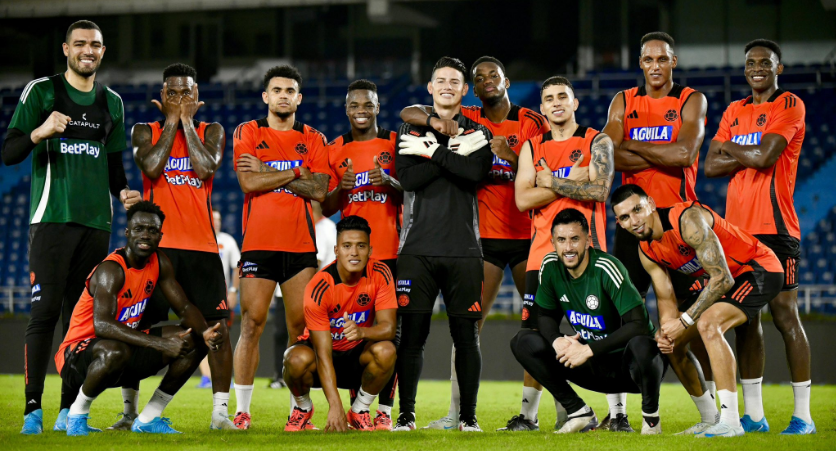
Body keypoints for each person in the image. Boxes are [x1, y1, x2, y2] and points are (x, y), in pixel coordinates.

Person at [1, 20, 141, 435]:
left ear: (102, 50)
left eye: (95, 45)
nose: (88, 50)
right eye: (79, 44)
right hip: (50, 221)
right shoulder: (41, 91)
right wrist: (40, 132)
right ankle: (32, 411)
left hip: (97, 224)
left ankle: (68, 412)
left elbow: (114, 166)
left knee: (77, 322)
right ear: (65, 49)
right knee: (44, 314)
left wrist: (124, 192)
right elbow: (9, 151)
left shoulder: (112, 101)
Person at [398, 57, 550, 430]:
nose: (486, 81)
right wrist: (436, 125)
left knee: (538, 326)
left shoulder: (530, 121)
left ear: (506, 79)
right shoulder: (467, 117)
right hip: (482, 240)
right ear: (472, 88)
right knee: (471, 328)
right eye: (478, 77)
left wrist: (510, 156)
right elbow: (409, 112)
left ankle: (535, 414)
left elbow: (542, 167)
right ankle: (457, 415)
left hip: (527, 236)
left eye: (491, 75)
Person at [611, 184, 785, 437]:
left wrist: (684, 320)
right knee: (673, 342)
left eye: (637, 209)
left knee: (708, 324)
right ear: (619, 223)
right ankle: (709, 418)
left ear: (650, 203)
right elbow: (665, 297)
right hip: (726, 281)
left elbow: (722, 278)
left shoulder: (687, 220)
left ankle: (731, 421)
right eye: (625, 217)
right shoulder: (646, 250)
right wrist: (667, 331)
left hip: (758, 268)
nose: (634, 220)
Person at [704, 39, 815, 435]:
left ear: (778, 68)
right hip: (738, 233)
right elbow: (710, 167)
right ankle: (754, 416)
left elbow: (765, 157)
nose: (757, 68)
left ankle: (803, 415)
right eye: (751, 63)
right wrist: (742, 151)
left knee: (785, 316)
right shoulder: (735, 109)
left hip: (777, 229)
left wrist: (730, 145)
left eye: (765, 63)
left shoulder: (790, 105)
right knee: (746, 320)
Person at [55, 201, 223, 435]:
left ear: (160, 235)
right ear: (127, 233)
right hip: (78, 356)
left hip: (122, 351)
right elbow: (102, 325)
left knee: (194, 341)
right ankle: (76, 416)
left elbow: (184, 307)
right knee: (116, 350)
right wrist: (160, 343)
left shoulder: (159, 262)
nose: (145, 235)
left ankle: (147, 419)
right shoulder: (111, 270)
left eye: (152, 230)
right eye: (139, 229)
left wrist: (204, 331)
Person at [128, 63, 235, 430]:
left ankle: (220, 413)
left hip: (202, 249)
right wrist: (173, 121)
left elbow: (206, 169)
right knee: (136, 325)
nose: (178, 99)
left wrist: (186, 121)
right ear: (161, 97)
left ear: (197, 98)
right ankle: (131, 412)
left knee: (217, 329)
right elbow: (153, 167)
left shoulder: (212, 131)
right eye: (171, 93)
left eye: (186, 93)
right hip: (156, 249)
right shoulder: (145, 130)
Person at [392, 56, 491, 432]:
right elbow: (409, 179)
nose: (448, 85)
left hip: (465, 250)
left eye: (455, 81)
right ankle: (406, 415)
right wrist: (452, 153)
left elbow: (475, 173)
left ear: (465, 90)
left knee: (466, 337)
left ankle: (468, 418)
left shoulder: (478, 131)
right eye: (441, 80)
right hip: (416, 250)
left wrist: (432, 152)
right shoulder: (409, 128)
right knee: (412, 337)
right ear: (430, 88)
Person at [512, 76, 615, 431]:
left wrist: (551, 181)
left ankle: (617, 415)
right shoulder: (531, 146)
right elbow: (523, 199)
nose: (556, 103)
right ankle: (529, 415)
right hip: (541, 257)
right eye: (549, 98)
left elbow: (600, 190)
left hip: (590, 256)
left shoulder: (596, 140)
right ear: (542, 108)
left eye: (562, 97)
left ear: (574, 103)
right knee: (534, 336)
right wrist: (573, 181)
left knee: (602, 331)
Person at [231, 65, 330, 430]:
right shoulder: (249, 131)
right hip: (257, 244)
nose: (284, 95)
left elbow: (320, 191)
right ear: (266, 96)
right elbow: (246, 182)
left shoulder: (314, 138)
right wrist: (296, 172)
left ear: (299, 98)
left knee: (299, 329)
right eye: (277, 90)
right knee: (251, 324)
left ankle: (299, 410)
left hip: (301, 246)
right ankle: (241, 410)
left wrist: (269, 171)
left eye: (290, 90)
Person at [511, 209, 665, 435]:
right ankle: (578, 411)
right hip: (593, 368)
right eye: (561, 240)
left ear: (587, 240)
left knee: (642, 345)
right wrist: (556, 342)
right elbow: (544, 316)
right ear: (553, 242)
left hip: (630, 369)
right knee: (523, 340)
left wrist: (589, 350)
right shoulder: (551, 266)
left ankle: (651, 421)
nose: (568, 247)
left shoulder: (606, 267)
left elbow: (639, 324)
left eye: (575, 239)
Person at [602, 31, 708, 305]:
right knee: (627, 307)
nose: (655, 66)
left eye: (662, 59)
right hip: (632, 221)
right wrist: (665, 153)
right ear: (640, 63)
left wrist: (632, 144)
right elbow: (606, 153)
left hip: (678, 219)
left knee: (690, 311)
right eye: (649, 60)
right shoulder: (623, 101)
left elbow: (684, 154)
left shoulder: (691, 99)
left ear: (673, 61)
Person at [322, 79, 401, 429]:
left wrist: (390, 183)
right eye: (355, 105)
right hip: (352, 260)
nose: (361, 111)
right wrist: (342, 188)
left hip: (391, 253)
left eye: (368, 104)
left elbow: (413, 192)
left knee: (391, 336)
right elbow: (325, 206)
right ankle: (360, 407)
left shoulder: (396, 143)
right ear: (346, 109)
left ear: (377, 107)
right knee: (355, 333)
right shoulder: (334, 148)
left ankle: (383, 412)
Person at [282, 216, 397, 432]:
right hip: (323, 360)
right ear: (336, 250)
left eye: (361, 246)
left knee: (386, 351)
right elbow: (322, 353)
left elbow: (389, 328)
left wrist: (361, 331)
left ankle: (360, 410)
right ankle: (304, 409)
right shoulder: (320, 285)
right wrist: (335, 406)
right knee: (294, 359)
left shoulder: (381, 273)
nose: (354, 252)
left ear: (370, 250)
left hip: (357, 358)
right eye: (347, 246)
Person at [197, 209, 241, 389]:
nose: (216, 222)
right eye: (213, 219)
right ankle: (207, 377)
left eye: (219, 219)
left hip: (220, 296)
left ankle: (220, 375)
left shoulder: (227, 241)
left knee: (221, 336)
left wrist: (233, 291)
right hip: (200, 295)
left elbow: (237, 266)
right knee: (201, 334)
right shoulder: (197, 239)